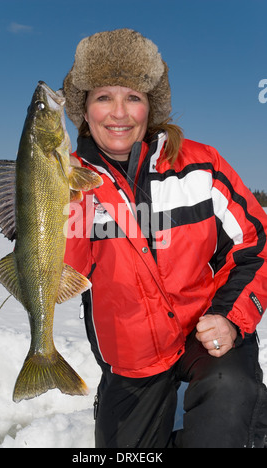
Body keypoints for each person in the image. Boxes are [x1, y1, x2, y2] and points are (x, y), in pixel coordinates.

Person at [62, 28, 267, 448]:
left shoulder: (201, 165)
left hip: (205, 331)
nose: (118, 113)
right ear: (84, 109)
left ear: (151, 107)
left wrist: (231, 317)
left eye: (133, 97)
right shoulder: (66, 181)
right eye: (103, 97)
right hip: (131, 356)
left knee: (230, 394)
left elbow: (256, 244)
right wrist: (55, 199)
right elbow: (63, 272)